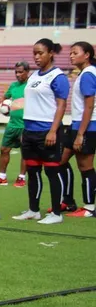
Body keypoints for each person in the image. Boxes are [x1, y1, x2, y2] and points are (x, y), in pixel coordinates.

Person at [13, 38, 70, 225]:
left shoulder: (58, 77)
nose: (36, 57)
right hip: (29, 132)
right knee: (33, 172)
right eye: (34, 53)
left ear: (51, 53)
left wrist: (53, 130)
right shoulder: (34, 76)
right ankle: (33, 210)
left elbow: (61, 105)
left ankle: (56, 213)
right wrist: (25, 129)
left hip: (47, 131)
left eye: (40, 53)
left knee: (53, 173)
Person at [61, 41, 96, 217]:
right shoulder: (84, 74)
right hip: (76, 125)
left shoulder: (89, 74)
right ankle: (68, 201)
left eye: (75, 52)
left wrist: (81, 134)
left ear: (87, 54)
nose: (71, 56)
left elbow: (89, 107)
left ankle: (89, 207)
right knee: (60, 160)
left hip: (87, 128)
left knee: (85, 166)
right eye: (70, 53)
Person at [0, 62, 29, 188]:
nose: (18, 74)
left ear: (27, 72)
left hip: (25, 125)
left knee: (25, 152)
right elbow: (3, 99)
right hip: (12, 125)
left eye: (21, 72)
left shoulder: (31, 86)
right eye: (16, 72)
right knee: (4, 149)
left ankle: (21, 178)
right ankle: (1, 177)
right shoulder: (13, 86)